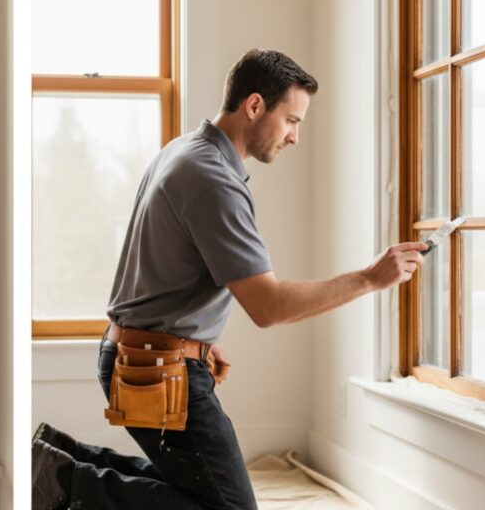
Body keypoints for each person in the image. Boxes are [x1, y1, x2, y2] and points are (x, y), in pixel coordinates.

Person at [32, 49, 427, 510]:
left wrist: (194, 333)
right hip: (157, 368)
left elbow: (168, 263)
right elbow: (269, 307)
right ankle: (67, 481)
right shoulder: (211, 177)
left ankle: (62, 465)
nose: (295, 137)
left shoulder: (184, 150)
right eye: (291, 120)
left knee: (203, 493)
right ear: (255, 106)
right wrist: (369, 278)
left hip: (145, 354)